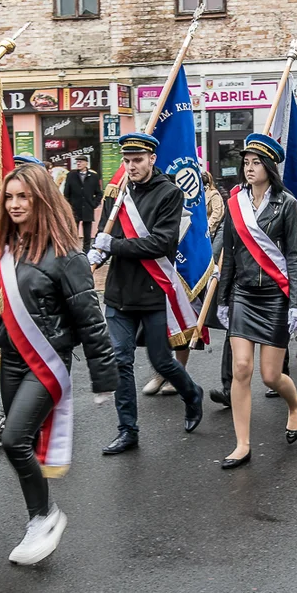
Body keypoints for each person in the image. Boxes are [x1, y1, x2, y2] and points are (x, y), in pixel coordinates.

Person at [0, 163, 117, 564]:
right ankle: (40, 516)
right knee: (19, 445)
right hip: (11, 362)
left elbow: (90, 318)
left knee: (12, 439)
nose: (13, 204)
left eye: (22, 196)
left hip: (47, 364)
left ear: (41, 199)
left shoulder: (65, 254)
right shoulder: (0, 251)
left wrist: (103, 377)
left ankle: (45, 516)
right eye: (9, 197)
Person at [90, 133, 204, 455]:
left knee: (161, 360)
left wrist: (114, 246)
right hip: (118, 293)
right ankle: (128, 430)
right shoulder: (119, 191)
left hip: (152, 292)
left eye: (137, 160)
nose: (131, 166)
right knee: (120, 360)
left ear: (152, 159)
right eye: (127, 160)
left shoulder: (170, 193)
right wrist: (97, 254)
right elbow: (106, 235)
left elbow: (162, 243)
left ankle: (191, 393)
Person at [216, 134, 297, 469]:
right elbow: (230, 256)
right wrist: (223, 298)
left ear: (269, 167)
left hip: (274, 296)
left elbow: (295, 257)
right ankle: (242, 444)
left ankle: (295, 405)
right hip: (243, 293)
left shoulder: (287, 203)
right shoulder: (235, 201)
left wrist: (296, 302)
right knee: (241, 368)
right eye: (246, 162)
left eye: (255, 163)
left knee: (270, 376)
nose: (248, 168)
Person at [143, 170, 225, 397]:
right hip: (159, 268)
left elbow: (212, 222)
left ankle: (179, 370)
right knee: (158, 322)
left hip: (188, 266)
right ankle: (161, 370)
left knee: (183, 319)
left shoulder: (204, 200)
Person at [62, 154, 102, 252]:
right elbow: (66, 193)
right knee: (73, 230)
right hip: (74, 208)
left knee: (87, 233)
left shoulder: (93, 176)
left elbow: (99, 193)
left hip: (88, 208)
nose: (78, 163)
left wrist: (94, 204)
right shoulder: (71, 175)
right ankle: (73, 249)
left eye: (81, 162)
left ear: (86, 163)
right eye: (77, 162)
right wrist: (68, 206)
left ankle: (86, 251)